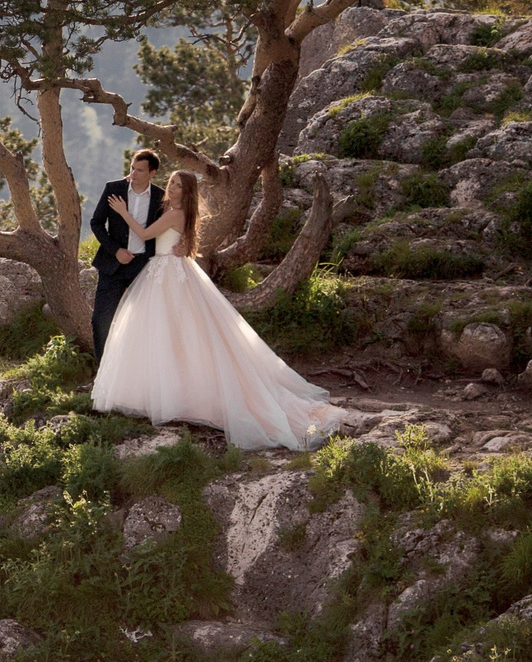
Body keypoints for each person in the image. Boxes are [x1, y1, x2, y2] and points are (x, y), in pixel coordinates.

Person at [90, 169, 362, 451]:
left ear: (187, 192)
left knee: (174, 332)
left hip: (167, 274)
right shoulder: (176, 211)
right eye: (171, 182)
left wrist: (122, 211)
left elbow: (145, 233)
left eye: (178, 186)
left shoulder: (175, 213)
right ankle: (174, 390)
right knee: (173, 333)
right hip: (167, 271)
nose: (171, 188)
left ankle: (181, 394)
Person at [88, 149, 163, 360]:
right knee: (100, 320)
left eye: (140, 170)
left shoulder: (160, 196)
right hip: (113, 264)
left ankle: (137, 376)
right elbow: (96, 222)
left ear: (152, 173)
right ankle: (101, 376)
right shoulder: (114, 189)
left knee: (142, 323)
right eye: (132, 168)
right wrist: (115, 250)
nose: (134, 173)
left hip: (143, 267)